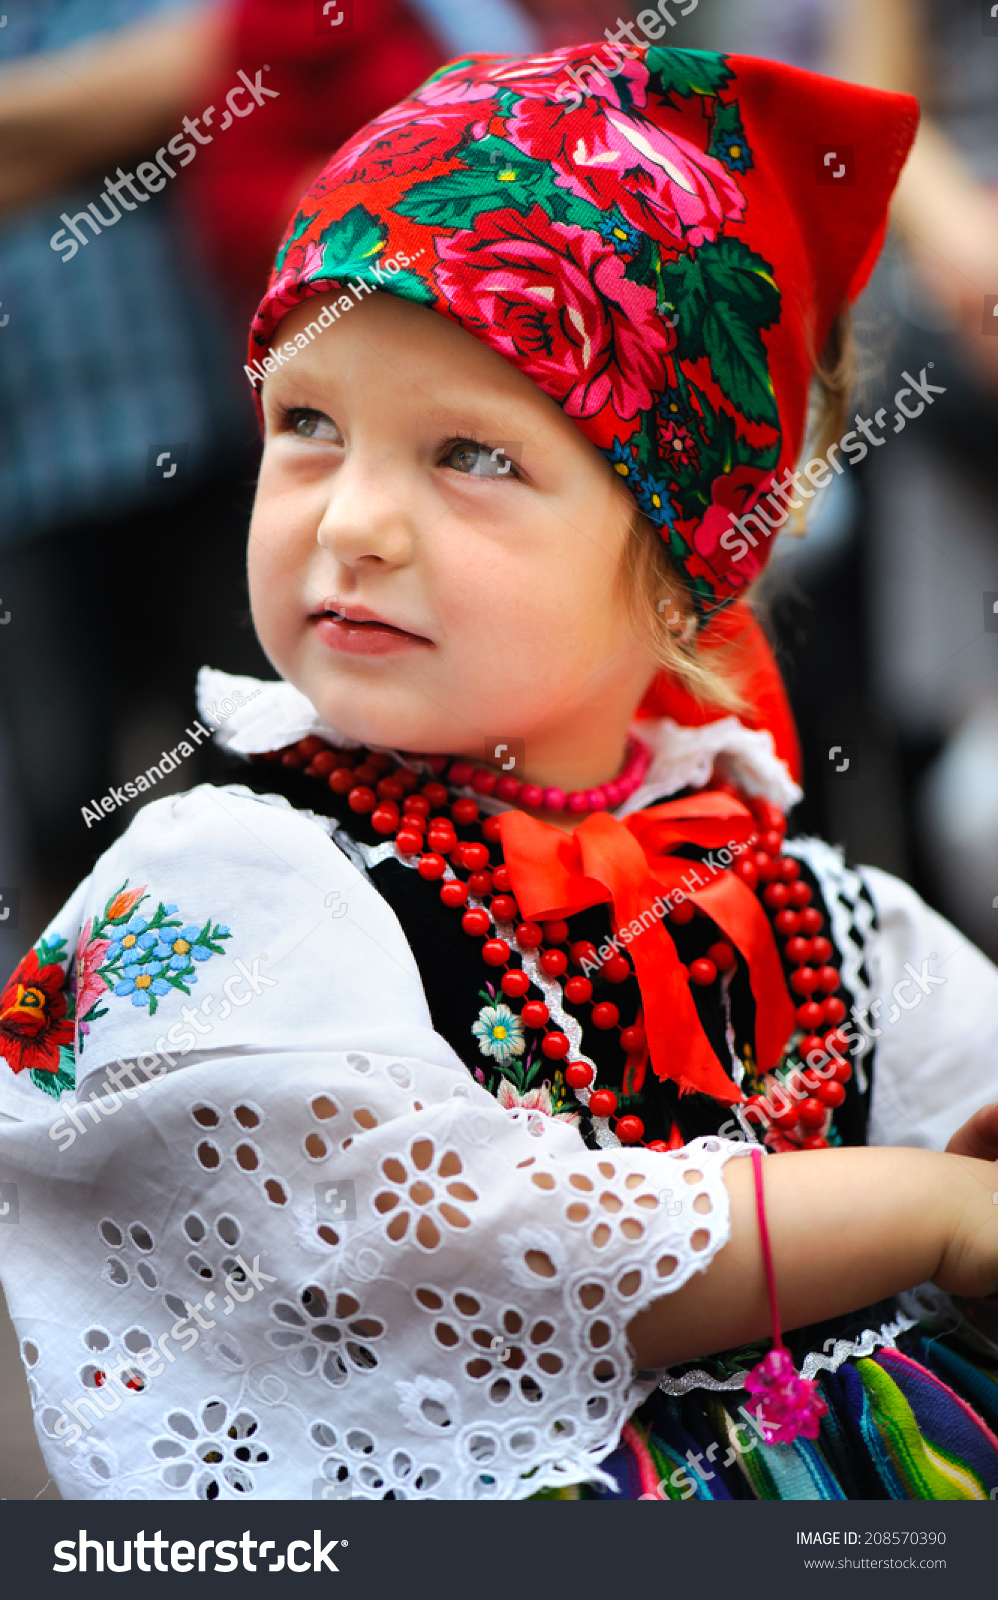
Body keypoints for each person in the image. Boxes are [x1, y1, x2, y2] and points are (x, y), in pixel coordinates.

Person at [2, 44, 998, 1505]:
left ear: (681, 567)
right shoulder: (241, 886)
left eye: (469, 454)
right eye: (306, 426)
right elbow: (455, 1238)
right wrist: (925, 1212)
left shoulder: (818, 909)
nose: (354, 522)